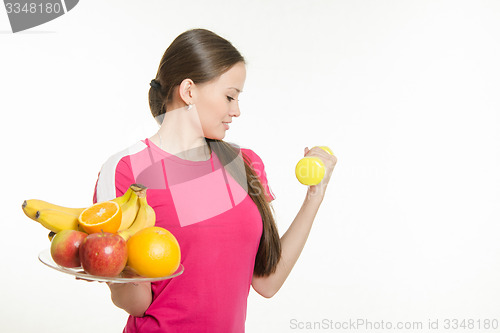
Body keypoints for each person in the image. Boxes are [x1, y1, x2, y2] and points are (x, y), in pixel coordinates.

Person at [92, 28, 337, 332]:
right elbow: (138, 303)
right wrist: (109, 266)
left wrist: (316, 193)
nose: (236, 110)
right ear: (189, 91)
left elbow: (268, 281)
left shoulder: (245, 164)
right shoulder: (127, 169)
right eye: (229, 96)